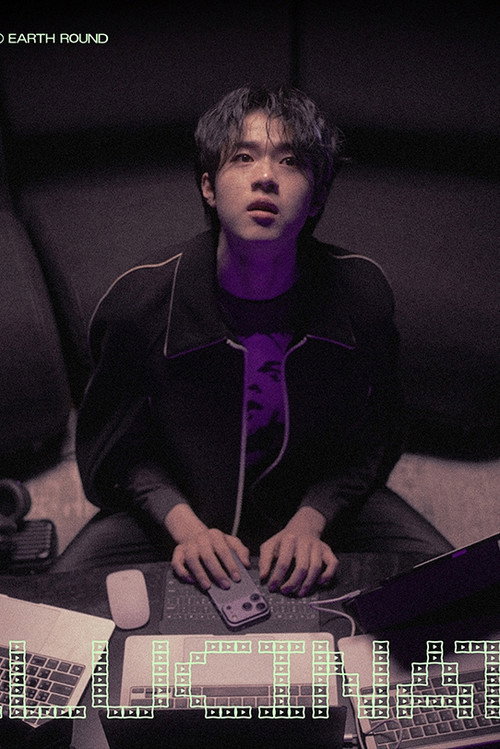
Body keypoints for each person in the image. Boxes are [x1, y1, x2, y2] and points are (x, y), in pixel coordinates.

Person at [52, 86, 452, 593]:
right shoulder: (141, 302)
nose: (265, 176)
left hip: (319, 509)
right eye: (243, 157)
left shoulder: (361, 295)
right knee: (51, 611)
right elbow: (114, 454)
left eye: (290, 161)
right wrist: (187, 529)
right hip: (177, 512)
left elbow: (375, 438)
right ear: (209, 187)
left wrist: (313, 519)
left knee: (454, 592)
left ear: (318, 197)